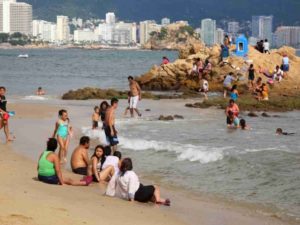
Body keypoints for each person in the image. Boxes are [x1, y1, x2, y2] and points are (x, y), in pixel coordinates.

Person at [106, 158, 170, 206]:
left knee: (151, 197)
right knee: (155, 187)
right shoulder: (131, 174)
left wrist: (108, 193)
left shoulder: (118, 174)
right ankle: (158, 200)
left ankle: (163, 201)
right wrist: (131, 200)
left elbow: (112, 183)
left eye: (120, 161)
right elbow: (131, 188)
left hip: (137, 195)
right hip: (140, 192)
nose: (118, 162)